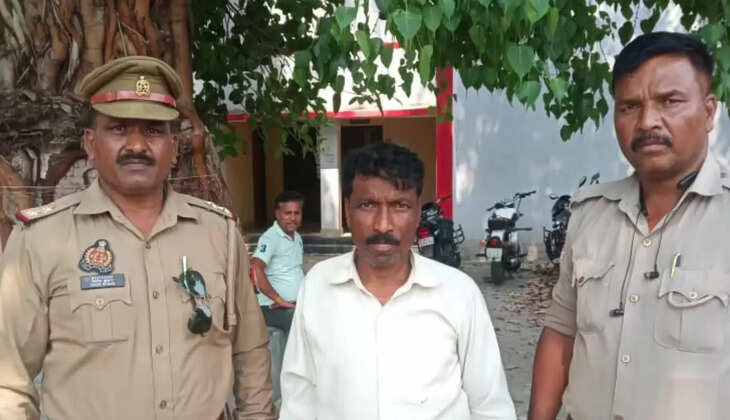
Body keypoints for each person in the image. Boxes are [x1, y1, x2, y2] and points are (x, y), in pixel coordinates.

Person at [0, 56, 276, 420]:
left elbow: (250, 353)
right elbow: (9, 381)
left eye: (153, 131)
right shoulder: (41, 239)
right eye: (118, 129)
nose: (136, 145)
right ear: (90, 143)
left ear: (173, 146)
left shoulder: (218, 232)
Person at [529, 32, 729, 420]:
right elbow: (561, 332)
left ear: (708, 112)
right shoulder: (590, 214)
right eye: (629, 106)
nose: (647, 121)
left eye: (669, 101)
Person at [280, 143, 516, 420]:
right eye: (367, 205)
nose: (383, 225)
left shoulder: (459, 293)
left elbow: (490, 407)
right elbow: (298, 398)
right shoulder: (318, 285)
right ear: (347, 210)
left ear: (417, 213)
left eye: (400, 206)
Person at [251, 191, 305, 334]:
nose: (293, 218)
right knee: (304, 323)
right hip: (271, 307)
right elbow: (255, 267)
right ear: (277, 214)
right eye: (287, 213)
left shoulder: (297, 237)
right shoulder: (271, 238)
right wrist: (278, 299)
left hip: (293, 304)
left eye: (297, 213)